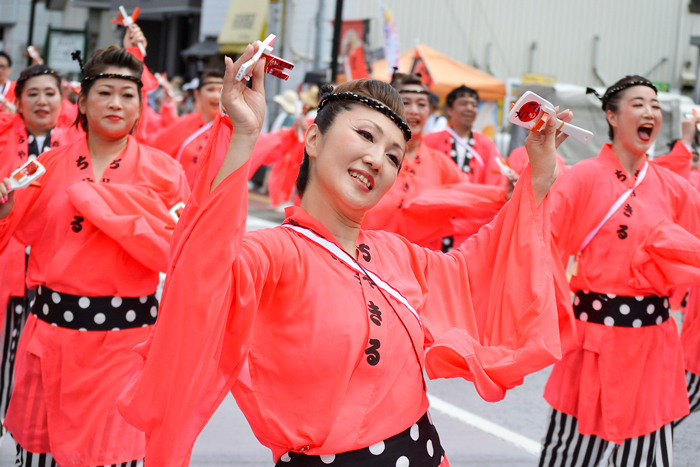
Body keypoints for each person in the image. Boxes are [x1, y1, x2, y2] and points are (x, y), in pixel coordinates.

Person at [118, 43, 568, 467]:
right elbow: (203, 273)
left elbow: (476, 273)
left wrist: (537, 179)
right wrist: (244, 135)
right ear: (313, 139)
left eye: (394, 155)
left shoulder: (395, 253)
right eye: (365, 136)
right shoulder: (272, 254)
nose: (378, 159)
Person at [0, 42, 189, 467]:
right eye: (104, 92)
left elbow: (182, 256)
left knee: (112, 458)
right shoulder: (43, 167)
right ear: (81, 102)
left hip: (126, 345)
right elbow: (8, 234)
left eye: (127, 95)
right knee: (40, 457)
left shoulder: (165, 173)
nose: (116, 103)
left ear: (141, 106)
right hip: (50, 339)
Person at [538, 76, 700, 467]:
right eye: (639, 104)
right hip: (593, 341)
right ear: (612, 115)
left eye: (656, 107)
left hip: (653, 346)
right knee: (570, 456)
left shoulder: (675, 188)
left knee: (648, 456)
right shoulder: (581, 178)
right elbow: (541, 242)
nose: (650, 113)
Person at [0, 63, 76, 439]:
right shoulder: (2, 140)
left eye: (50, 93)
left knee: (40, 359)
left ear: (63, 101)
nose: (42, 101)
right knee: (4, 353)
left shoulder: (78, 146)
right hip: (8, 266)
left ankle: (31, 434)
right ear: (17, 102)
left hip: (56, 273)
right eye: (32, 93)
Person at [362, 72, 506, 250]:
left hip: (419, 262)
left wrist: (504, 195)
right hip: (366, 255)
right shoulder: (368, 154)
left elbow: (465, 196)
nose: (414, 110)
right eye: (406, 103)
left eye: (421, 104)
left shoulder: (440, 162)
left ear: (429, 111)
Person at [146, 69, 224, 188]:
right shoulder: (187, 122)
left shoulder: (235, 131)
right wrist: (168, 106)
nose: (216, 96)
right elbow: (161, 139)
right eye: (210, 90)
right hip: (181, 199)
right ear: (197, 94)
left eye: (221, 90)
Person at [423, 85, 505, 186]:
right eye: (463, 103)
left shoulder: (486, 144)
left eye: (474, 105)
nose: (469, 108)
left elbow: (495, 180)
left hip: (475, 200)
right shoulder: (430, 141)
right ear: (449, 110)